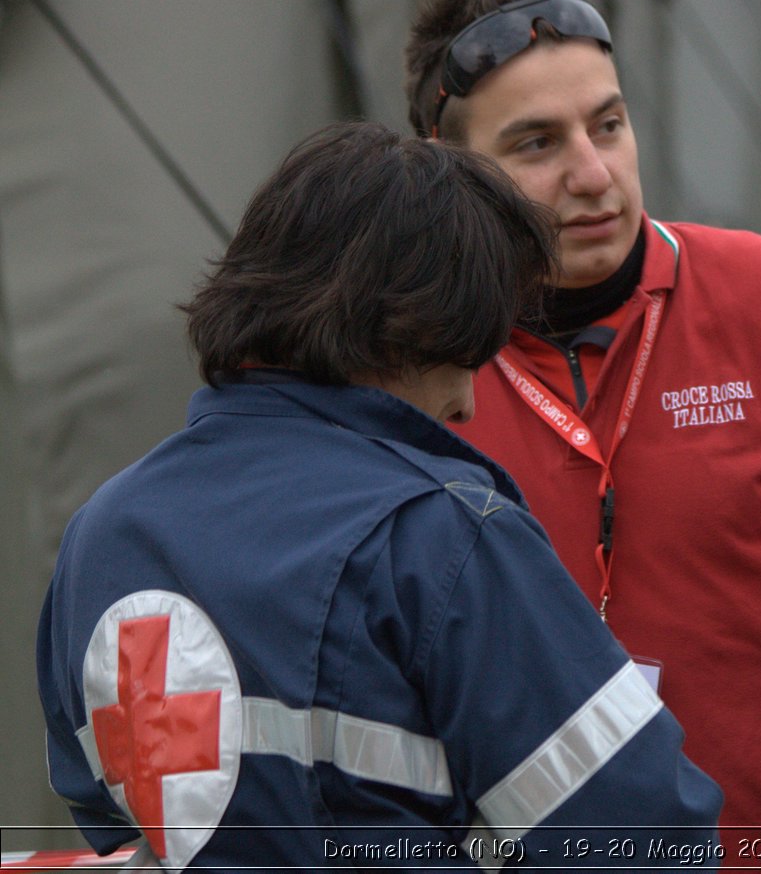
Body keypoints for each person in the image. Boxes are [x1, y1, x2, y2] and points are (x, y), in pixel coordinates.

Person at [35, 122, 722, 868]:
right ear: (409, 330)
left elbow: (111, 822)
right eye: (469, 354)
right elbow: (646, 838)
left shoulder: (100, 535)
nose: (466, 405)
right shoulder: (443, 537)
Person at [402, 0, 761, 866]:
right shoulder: (418, 384)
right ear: (450, 168)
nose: (593, 175)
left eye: (609, 126)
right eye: (537, 145)